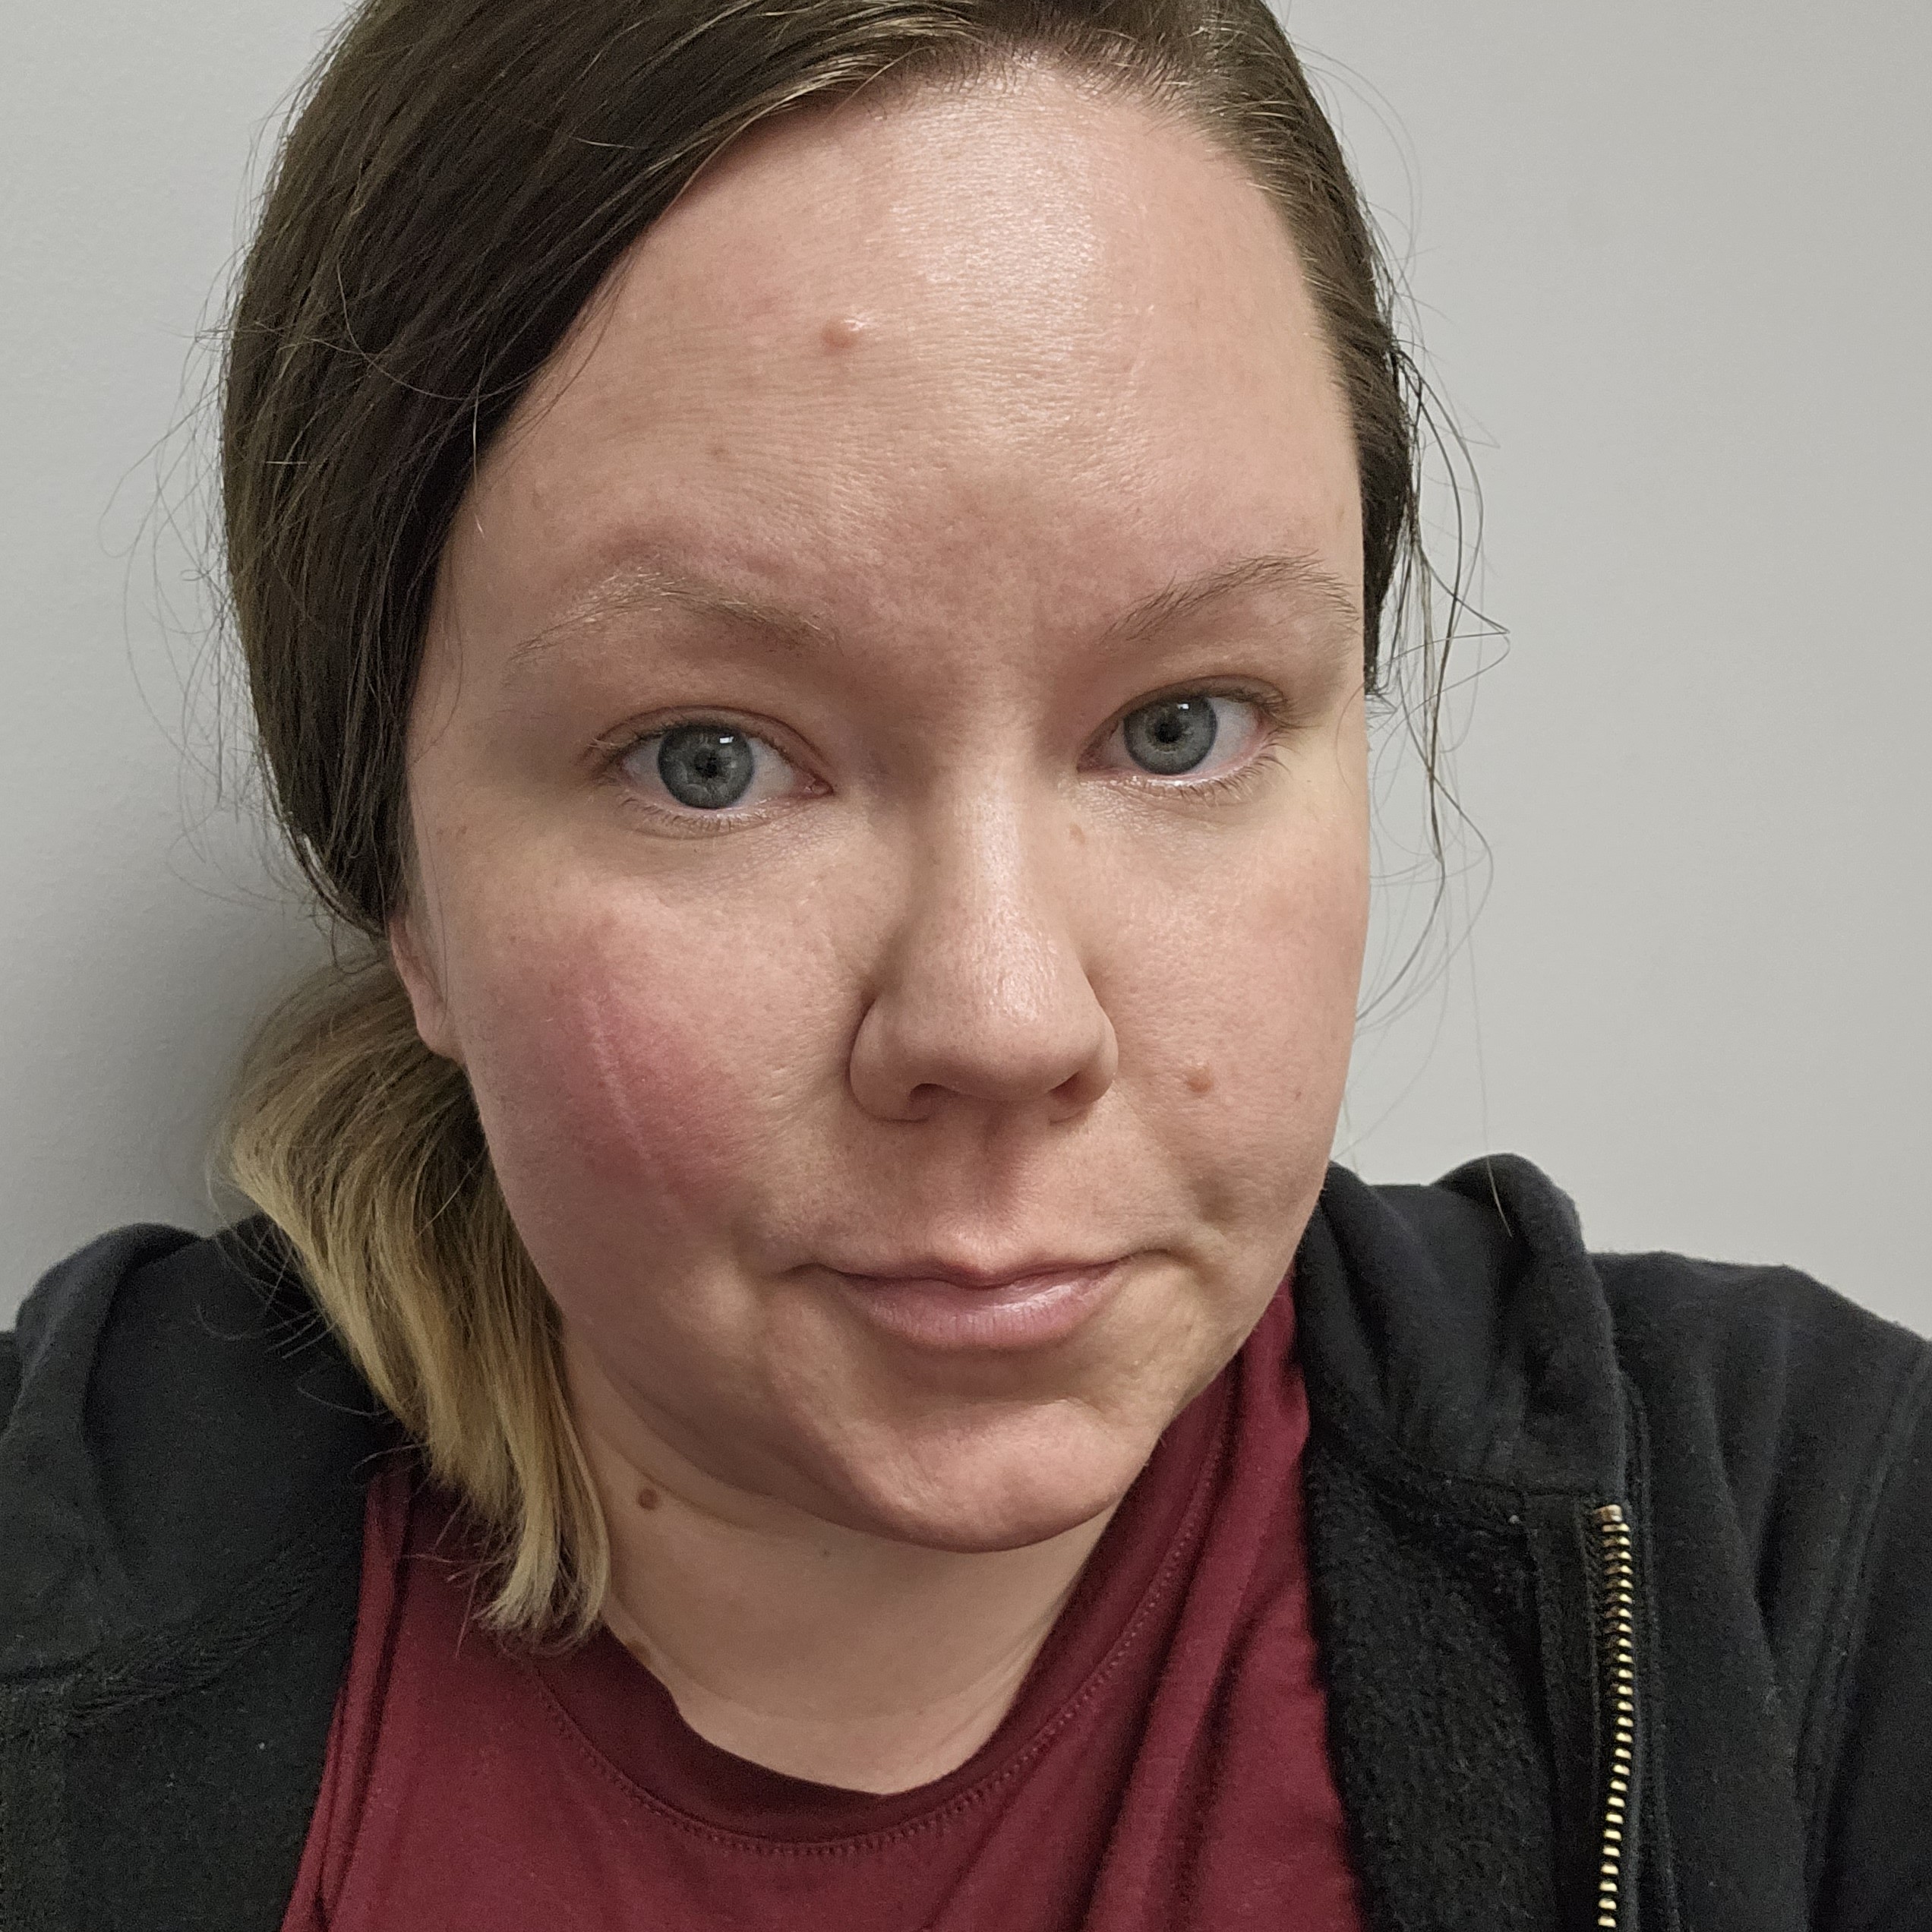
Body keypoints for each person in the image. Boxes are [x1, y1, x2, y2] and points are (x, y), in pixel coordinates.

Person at [2, 0, 1927, 1926]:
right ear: (397, 878)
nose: (1003, 1021)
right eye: (710, 760)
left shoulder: (1812, 1571)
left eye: (1181, 726)